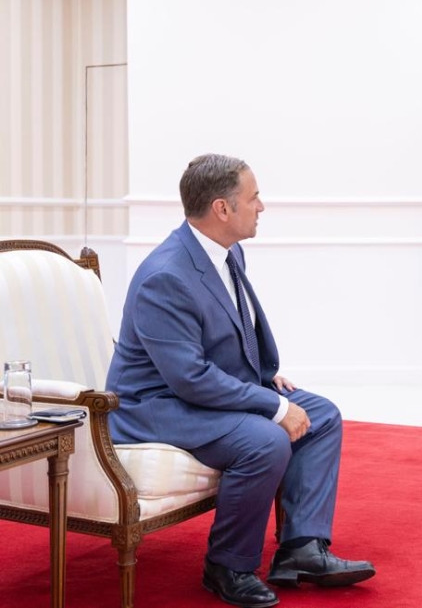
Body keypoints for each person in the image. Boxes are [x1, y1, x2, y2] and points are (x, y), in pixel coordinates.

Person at [106, 154, 374, 607]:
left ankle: (300, 549)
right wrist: (271, 406)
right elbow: (189, 377)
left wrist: (264, 380)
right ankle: (227, 565)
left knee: (322, 415)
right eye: (253, 198)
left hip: (196, 390)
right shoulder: (165, 276)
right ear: (222, 209)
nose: (262, 206)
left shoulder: (226, 252)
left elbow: (227, 330)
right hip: (154, 406)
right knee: (265, 440)